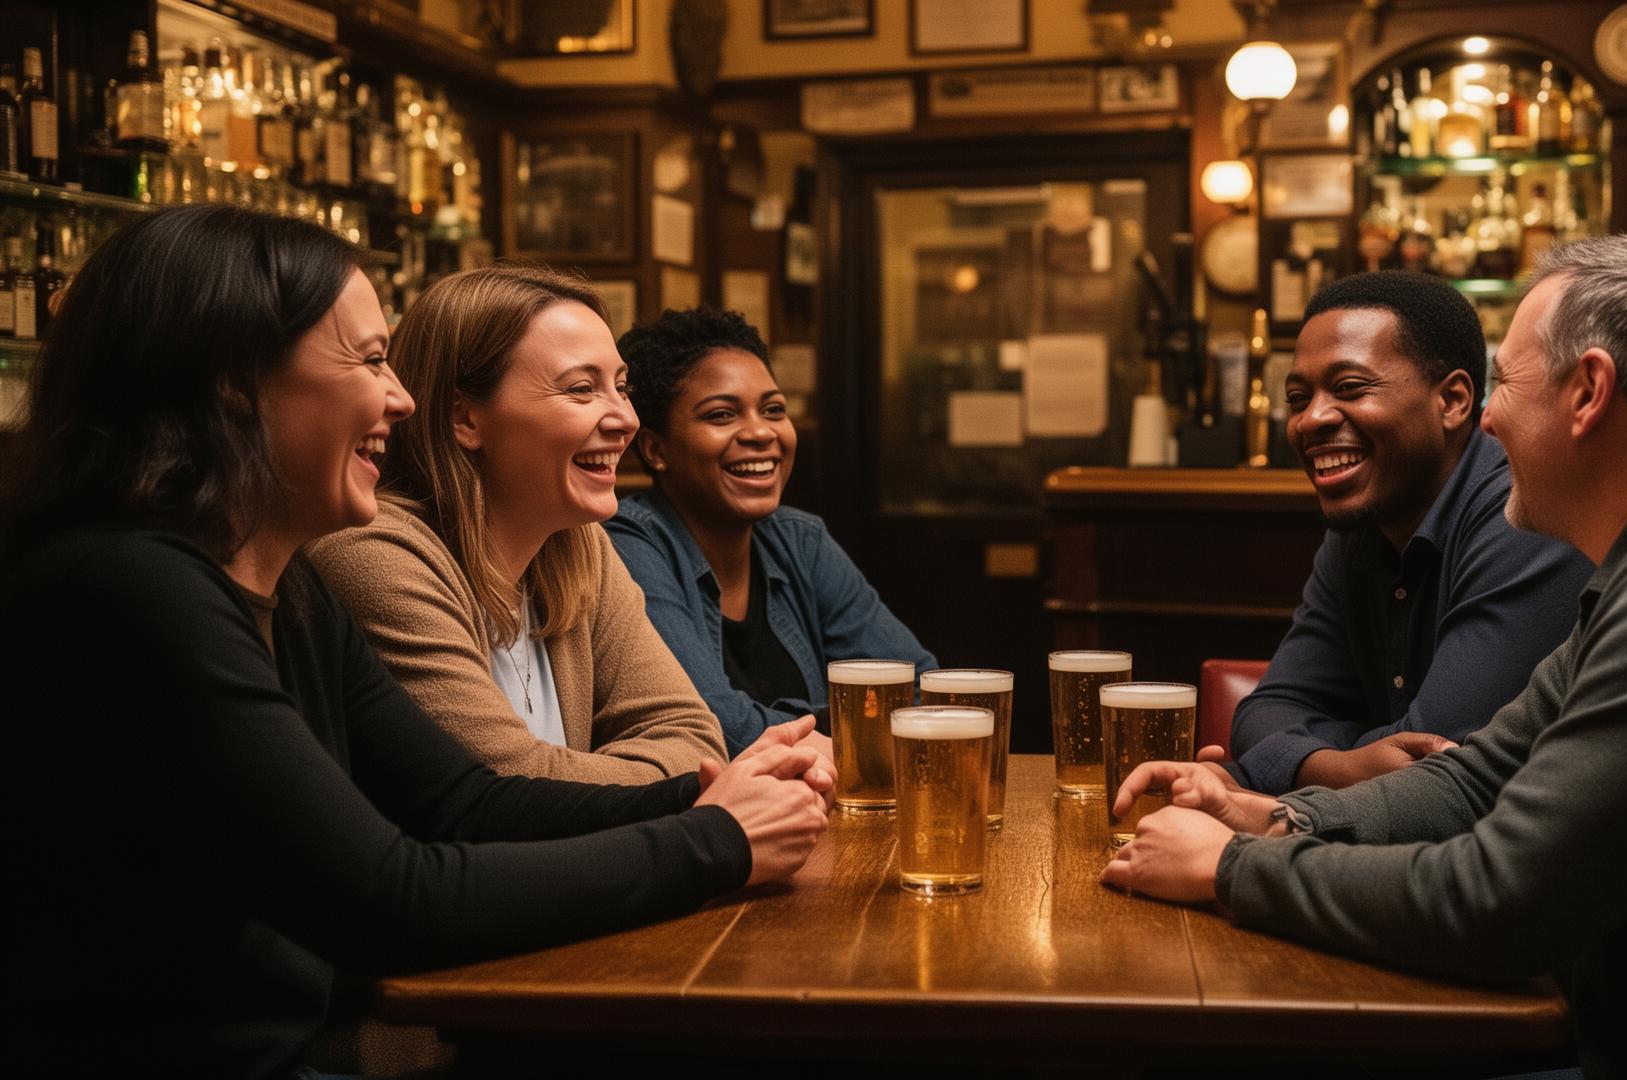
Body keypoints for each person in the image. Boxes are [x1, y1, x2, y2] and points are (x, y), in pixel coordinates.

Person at [0, 205, 831, 1076]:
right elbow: (390, 897)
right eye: (368, 360)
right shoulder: (132, 589)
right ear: (237, 382)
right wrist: (716, 840)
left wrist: (710, 798)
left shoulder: (291, 587)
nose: (400, 396)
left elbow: (469, 803)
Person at [1103, 233, 1627, 1077]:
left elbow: (1503, 900)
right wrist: (1271, 816)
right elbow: (1477, 776)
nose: (1488, 419)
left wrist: (1234, 869)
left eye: (1507, 384)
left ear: (1589, 393)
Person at [307, 265, 736, 783]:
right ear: (464, 418)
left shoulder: (579, 547)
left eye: (621, 387)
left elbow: (693, 736)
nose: (625, 418)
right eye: (581, 389)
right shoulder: (373, 554)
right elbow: (509, 788)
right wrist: (667, 783)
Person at [1222, 271, 1590, 793]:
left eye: (1349, 388)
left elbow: (1439, 761)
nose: (1311, 419)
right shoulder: (1361, 527)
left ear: (1454, 401)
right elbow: (1266, 711)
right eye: (1299, 398)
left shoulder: (1524, 515)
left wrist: (1295, 760)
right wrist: (1342, 766)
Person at [604, 307, 935, 757]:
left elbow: (916, 689)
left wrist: (806, 730)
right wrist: (839, 721)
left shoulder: (801, 541)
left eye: (774, 409)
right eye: (722, 415)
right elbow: (716, 726)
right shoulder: (628, 545)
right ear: (655, 449)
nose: (761, 432)